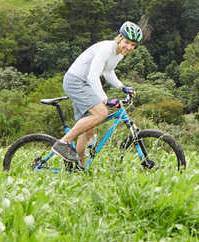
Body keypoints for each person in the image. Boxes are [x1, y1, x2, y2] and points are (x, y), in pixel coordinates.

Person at [53, 21, 143, 163]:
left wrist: (122, 87)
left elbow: (108, 71)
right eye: (127, 42)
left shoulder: (119, 53)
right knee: (102, 113)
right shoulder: (106, 49)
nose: (129, 47)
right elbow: (92, 76)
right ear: (119, 37)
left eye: (133, 45)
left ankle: (79, 168)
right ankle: (63, 143)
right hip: (76, 81)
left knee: (89, 130)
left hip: (86, 83)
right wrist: (105, 100)